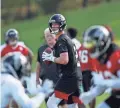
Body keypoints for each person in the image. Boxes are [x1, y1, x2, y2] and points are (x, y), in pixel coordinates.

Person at [42, 14, 83, 108]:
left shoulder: (62, 40)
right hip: (76, 76)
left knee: (51, 103)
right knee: (72, 105)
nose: (53, 26)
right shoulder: (66, 38)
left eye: (56, 24)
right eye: (52, 25)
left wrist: (51, 58)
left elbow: (64, 60)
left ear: (62, 25)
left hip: (69, 77)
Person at [79, 25, 120, 108]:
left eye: (92, 45)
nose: (90, 49)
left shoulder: (116, 56)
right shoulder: (100, 59)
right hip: (117, 96)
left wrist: (106, 83)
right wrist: (90, 94)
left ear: (102, 42)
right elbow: (102, 84)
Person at [36, 28, 67, 108]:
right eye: (47, 36)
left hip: (60, 81)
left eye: (50, 35)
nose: (49, 37)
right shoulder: (41, 49)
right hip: (46, 82)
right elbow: (38, 65)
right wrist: (37, 79)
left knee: (63, 104)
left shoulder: (61, 47)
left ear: (55, 36)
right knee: (49, 104)